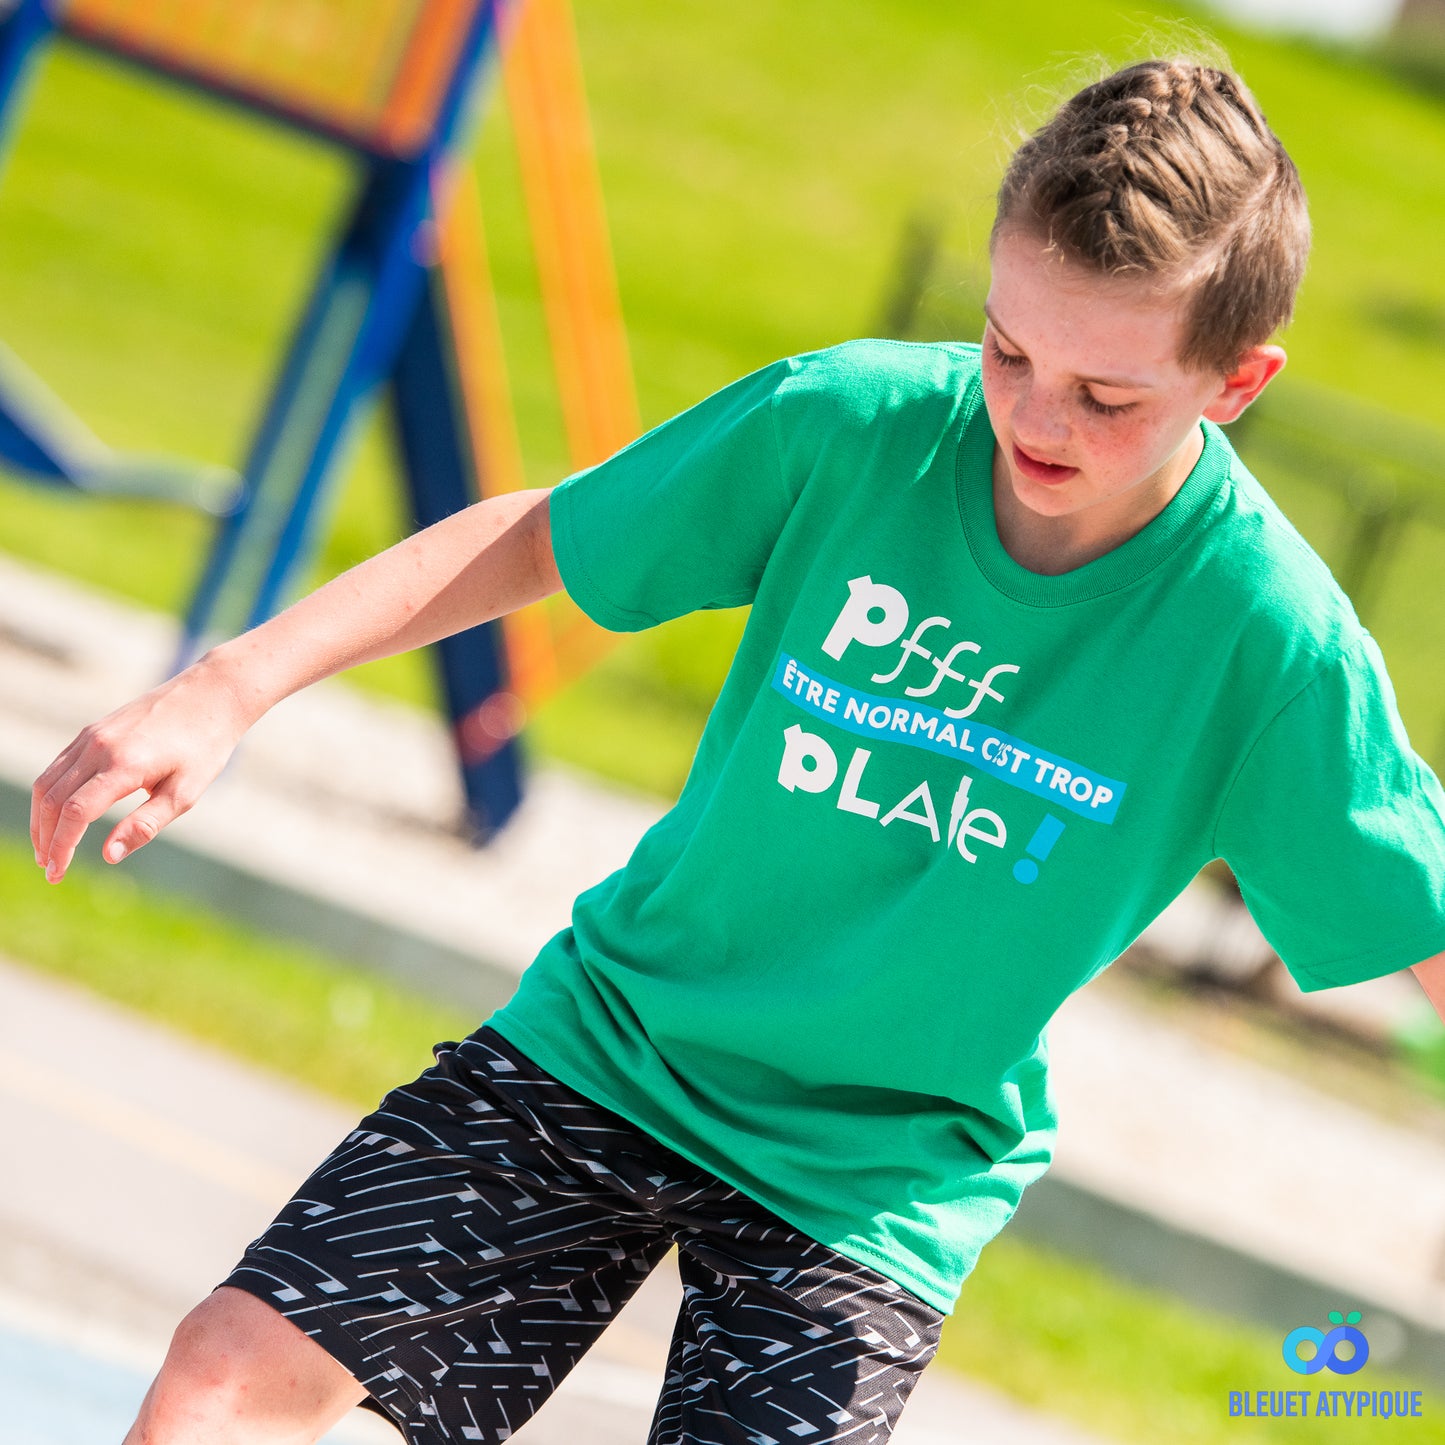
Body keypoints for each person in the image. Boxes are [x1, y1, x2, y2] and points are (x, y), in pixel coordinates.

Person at [29, 55, 1445, 1445]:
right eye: (1009, 348)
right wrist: (226, 685)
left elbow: (1420, 916)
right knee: (223, 1378)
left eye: (1105, 394)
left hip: (869, 1171)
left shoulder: (1266, 643)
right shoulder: (851, 424)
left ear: (1237, 381)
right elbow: (545, 533)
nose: (1032, 414)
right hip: (618, 1041)